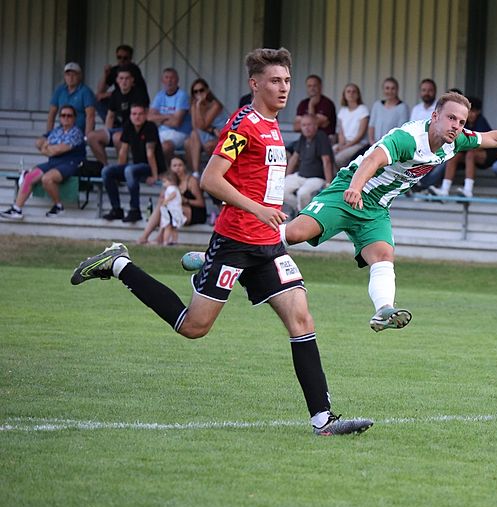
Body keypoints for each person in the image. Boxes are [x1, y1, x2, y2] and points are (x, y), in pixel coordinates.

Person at [71, 47, 372, 437]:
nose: (284, 88)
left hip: (268, 246)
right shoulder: (243, 124)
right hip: (234, 241)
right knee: (193, 327)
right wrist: (258, 209)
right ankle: (118, 264)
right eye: (275, 81)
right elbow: (211, 180)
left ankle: (323, 421)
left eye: (287, 80)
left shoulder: (274, 125)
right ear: (254, 84)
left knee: (301, 319)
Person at [183, 93, 497, 332]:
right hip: (347, 193)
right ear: (435, 116)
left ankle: (383, 310)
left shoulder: (454, 142)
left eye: (461, 121)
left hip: (376, 209)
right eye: (451, 118)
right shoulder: (408, 137)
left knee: (384, 255)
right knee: (296, 233)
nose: (457, 126)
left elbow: (495, 137)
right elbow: (374, 159)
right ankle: (216, 256)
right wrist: (354, 187)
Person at [0, 105, 85, 220]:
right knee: (29, 176)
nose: (66, 118)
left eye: (69, 116)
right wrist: (47, 148)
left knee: (47, 179)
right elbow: (39, 142)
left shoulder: (77, 133)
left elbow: (58, 150)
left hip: (70, 163)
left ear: (74, 118)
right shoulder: (56, 130)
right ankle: (17, 209)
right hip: (53, 162)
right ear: (60, 118)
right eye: (63, 115)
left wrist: (46, 148)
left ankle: (58, 206)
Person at [100, 103, 167, 223]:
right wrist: (118, 172)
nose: (137, 117)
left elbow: (150, 153)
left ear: (145, 115)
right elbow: (123, 151)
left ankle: (135, 210)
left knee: (129, 170)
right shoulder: (129, 126)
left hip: (150, 166)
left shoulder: (150, 127)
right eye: (134, 114)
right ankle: (116, 209)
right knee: (106, 171)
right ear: (130, 116)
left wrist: (154, 176)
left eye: (140, 114)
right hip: (135, 167)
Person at [428, 97, 497, 198]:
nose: (471, 114)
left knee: (471, 154)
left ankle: (468, 191)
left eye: (473, 112)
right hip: (467, 153)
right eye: (469, 112)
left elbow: (480, 145)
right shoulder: (462, 122)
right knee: (454, 155)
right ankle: (444, 190)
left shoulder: (481, 121)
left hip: (488, 154)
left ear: (478, 112)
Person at [88, 66, 150, 165]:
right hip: (119, 129)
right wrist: (107, 132)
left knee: (118, 137)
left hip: (135, 130)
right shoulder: (115, 94)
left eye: (127, 78)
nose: (124, 81)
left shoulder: (139, 94)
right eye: (121, 78)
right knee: (91, 136)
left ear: (132, 80)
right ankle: (105, 167)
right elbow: (110, 116)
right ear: (117, 80)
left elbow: (143, 117)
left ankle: (121, 168)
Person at [138, 156, 206, 244]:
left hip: (194, 212)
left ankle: (158, 237)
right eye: (174, 166)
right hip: (177, 210)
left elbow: (201, 203)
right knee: (162, 206)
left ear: (184, 167)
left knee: (169, 209)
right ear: (170, 168)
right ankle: (147, 236)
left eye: (180, 165)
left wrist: (186, 200)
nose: (177, 168)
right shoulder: (170, 182)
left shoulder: (191, 181)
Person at [283, 114, 335, 213]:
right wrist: (286, 176)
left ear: (315, 125)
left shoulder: (321, 136)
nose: (306, 128)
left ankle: (304, 216)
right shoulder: (303, 137)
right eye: (304, 125)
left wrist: (329, 183)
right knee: (281, 189)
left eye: (309, 125)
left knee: (302, 193)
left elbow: (327, 161)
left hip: (316, 178)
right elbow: (294, 158)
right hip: (300, 176)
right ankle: (299, 210)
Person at [183, 78, 228, 173]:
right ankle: (195, 173)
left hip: (220, 135)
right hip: (208, 133)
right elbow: (195, 127)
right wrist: (196, 106)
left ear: (207, 90)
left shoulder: (215, 105)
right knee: (188, 141)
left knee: (209, 146)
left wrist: (198, 106)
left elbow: (203, 125)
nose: (199, 93)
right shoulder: (194, 105)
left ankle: (212, 173)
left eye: (201, 90)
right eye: (195, 92)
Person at [94, 44, 149, 121]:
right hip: (121, 100)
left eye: (125, 58)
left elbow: (126, 90)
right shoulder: (115, 70)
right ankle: (114, 124)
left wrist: (107, 94)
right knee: (97, 101)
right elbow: (100, 91)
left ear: (130, 58)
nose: (122, 60)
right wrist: (105, 75)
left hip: (136, 101)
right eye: (119, 57)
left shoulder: (134, 70)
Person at [148, 67, 192, 159]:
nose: (169, 81)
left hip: (180, 132)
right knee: (148, 145)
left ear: (177, 80)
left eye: (172, 78)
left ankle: (171, 167)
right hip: (161, 131)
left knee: (165, 147)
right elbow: (149, 117)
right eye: (166, 77)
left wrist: (159, 119)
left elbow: (176, 122)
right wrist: (168, 116)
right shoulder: (160, 95)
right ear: (162, 80)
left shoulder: (182, 95)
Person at [47, 63, 96, 137]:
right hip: (63, 130)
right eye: (68, 75)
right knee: (40, 141)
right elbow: (51, 114)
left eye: (74, 75)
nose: (71, 78)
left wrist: (87, 137)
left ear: (80, 76)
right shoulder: (59, 90)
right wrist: (48, 135)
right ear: (64, 76)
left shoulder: (86, 92)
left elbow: (90, 116)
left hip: (79, 132)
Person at [333, 83, 370, 167]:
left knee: (338, 159)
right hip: (344, 143)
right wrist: (341, 145)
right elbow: (341, 132)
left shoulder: (363, 110)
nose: (351, 94)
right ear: (344, 95)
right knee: (328, 154)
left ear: (358, 95)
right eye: (348, 91)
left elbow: (360, 134)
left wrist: (346, 147)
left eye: (354, 91)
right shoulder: (343, 110)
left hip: (358, 144)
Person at [368, 77, 410, 144]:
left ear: (397, 90)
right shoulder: (377, 105)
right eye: (387, 88)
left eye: (393, 88)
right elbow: (371, 125)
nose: (390, 91)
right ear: (383, 90)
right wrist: (372, 142)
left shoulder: (403, 107)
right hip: (374, 144)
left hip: (392, 145)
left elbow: (400, 130)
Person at [293, 74, 336, 139]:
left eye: (314, 86)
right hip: (305, 140)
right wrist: (314, 122)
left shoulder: (327, 103)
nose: (312, 88)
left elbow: (312, 126)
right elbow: (296, 127)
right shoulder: (303, 103)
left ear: (320, 87)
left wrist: (311, 105)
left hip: (324, 139)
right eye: (309, 86)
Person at [156, 171, 186, 245]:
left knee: (168, 226)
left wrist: (166, 200)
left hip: (171, 211)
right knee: (174, 227)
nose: (163, 184)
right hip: (175, 210)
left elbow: (173, 194)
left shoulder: (171, 188)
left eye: (165, 181)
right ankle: (174, 241)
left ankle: (165, 241)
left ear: (171, 181)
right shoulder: (175, 188)